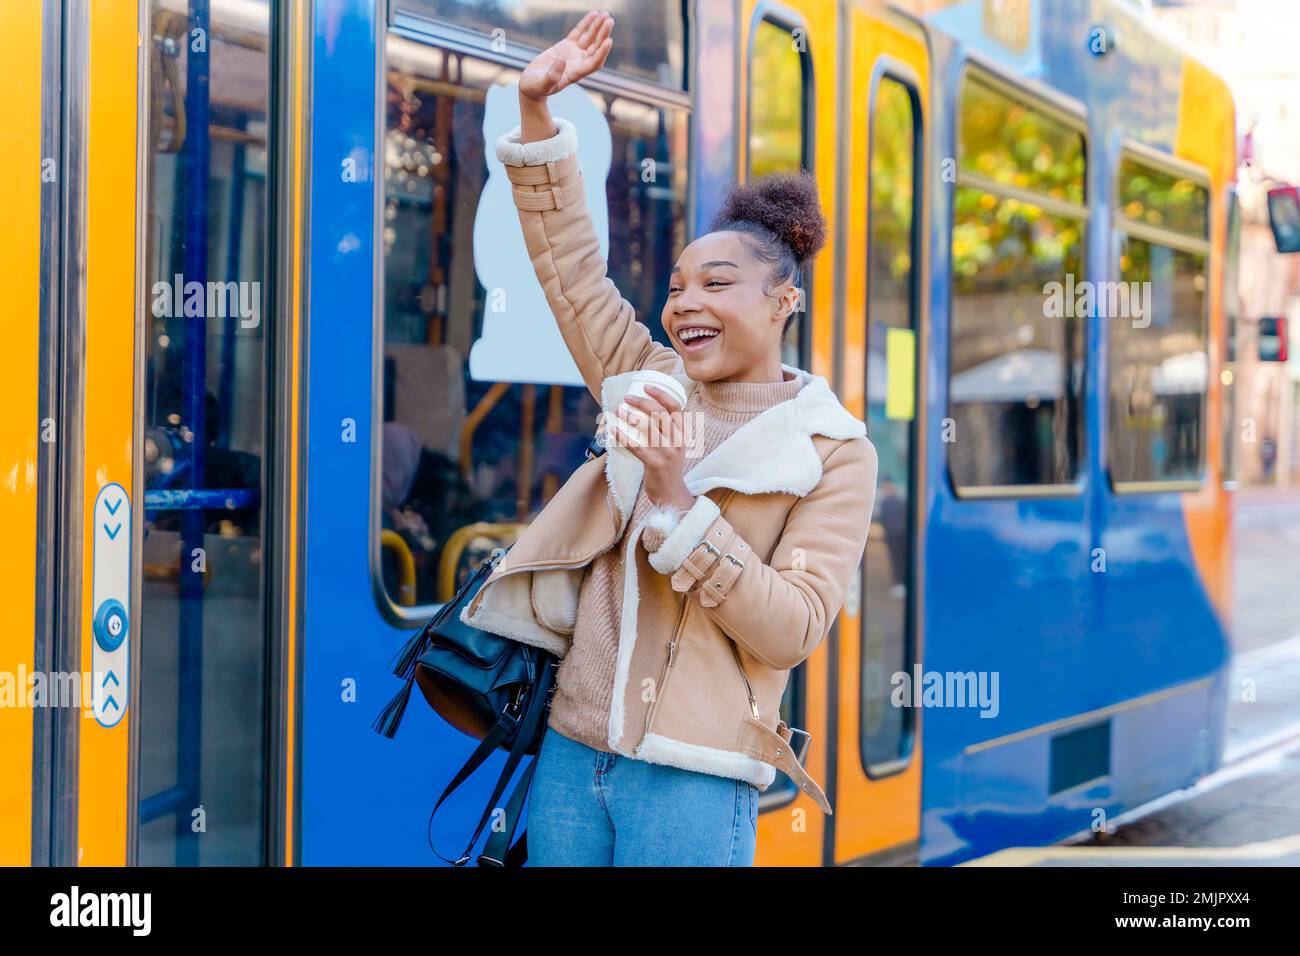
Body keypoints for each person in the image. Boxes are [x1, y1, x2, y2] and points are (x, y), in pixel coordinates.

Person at [467, 10, 879, 866]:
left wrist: (675, 500)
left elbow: (792, 630)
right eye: (678, 286)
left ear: (782, 301)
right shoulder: (644, 375)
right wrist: (538, 110)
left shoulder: (834, 449)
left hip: (693, 781)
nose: (686, 302)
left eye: (717, 283)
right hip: (573, 756)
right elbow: (572, 270)